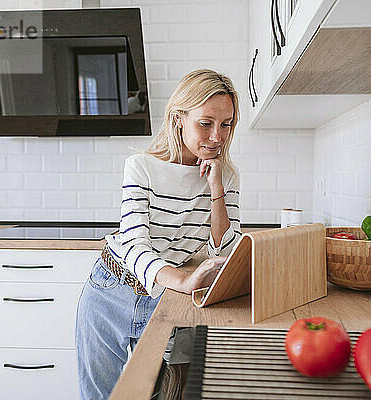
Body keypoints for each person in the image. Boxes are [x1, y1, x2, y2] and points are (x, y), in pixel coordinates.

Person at [75, 69, 242, 400]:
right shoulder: (140, 166)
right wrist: (181, 280)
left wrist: (216, 189)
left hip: (165, 302)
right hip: (111, 290)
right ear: (179, 119)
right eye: (206, 123)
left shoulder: (226, 178)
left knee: (155, 394)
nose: (217, 136)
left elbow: (225, 249)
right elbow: (135, 244)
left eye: (226, 125)